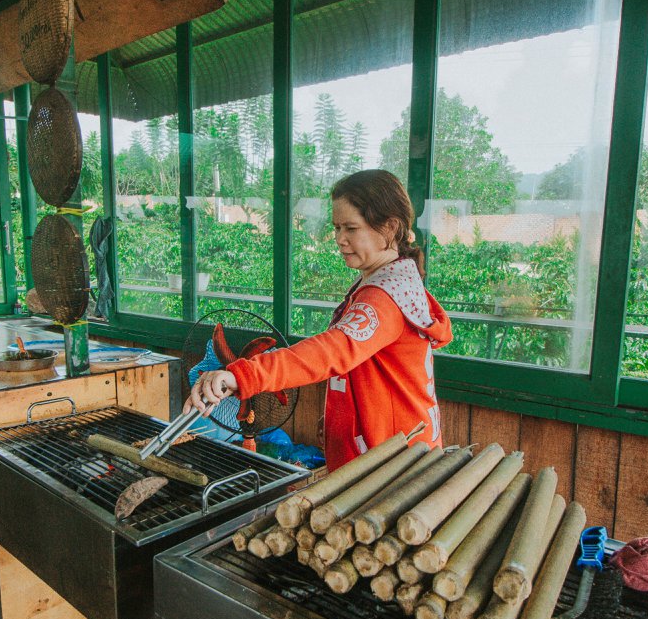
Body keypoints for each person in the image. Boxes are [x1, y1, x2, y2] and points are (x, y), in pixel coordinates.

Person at [186, 169, 452, 471]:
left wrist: (243, 375)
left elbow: (332, 351)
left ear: (390, 227)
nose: (339, 239)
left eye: (351, 228)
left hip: (392, 467)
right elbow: (363, 367)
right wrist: (340, 418)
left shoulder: (383, 299)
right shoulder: (390, 282)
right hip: (392, 452)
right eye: (337, 227)